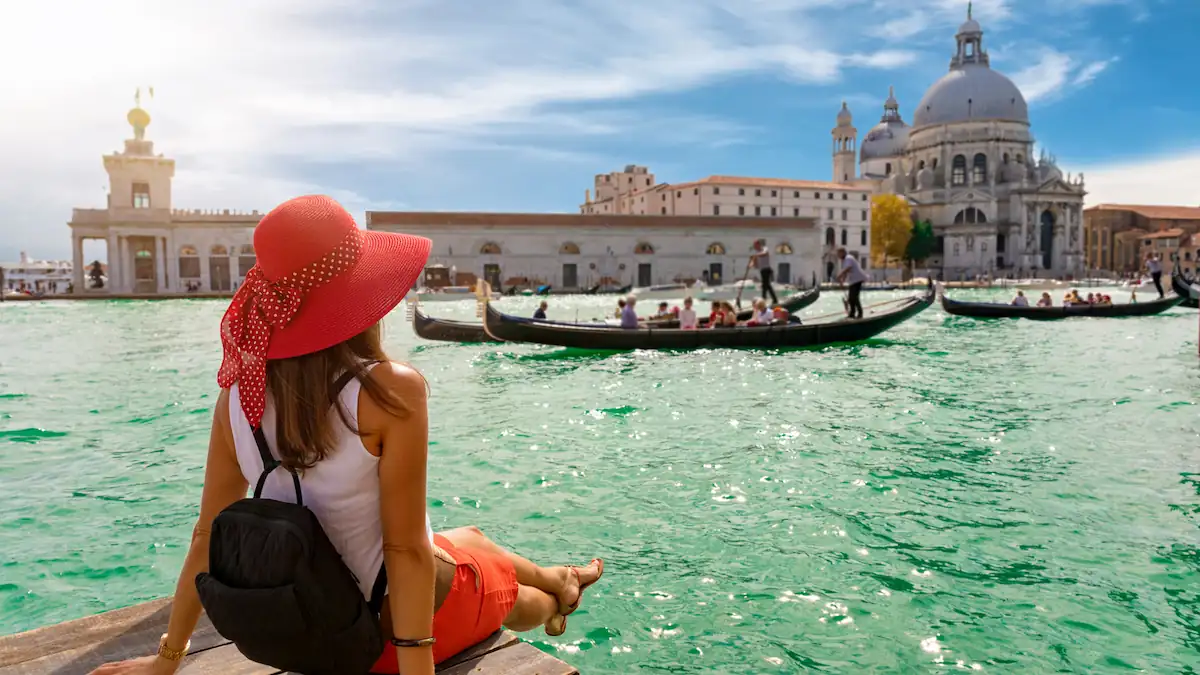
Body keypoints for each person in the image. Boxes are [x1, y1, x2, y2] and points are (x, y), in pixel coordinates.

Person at [87, 196, 603, 675]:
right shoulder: (387, 391)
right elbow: (404, 552)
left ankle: (560, 575)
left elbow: (205, 536)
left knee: (471, 540)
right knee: (508, 593)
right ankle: (556, 598)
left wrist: (166, 660)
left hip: (309, 625)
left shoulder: (235, 399)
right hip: (377, 641)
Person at [835, 247, 867, 319]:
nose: (838, 256)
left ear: (842, 252)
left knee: (854, 297)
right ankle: (852, 313)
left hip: (858, 279)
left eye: (838, 254)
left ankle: (860, 314)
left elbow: (848, 268)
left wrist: (839, 275)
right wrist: (842, 280)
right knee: (850, 298)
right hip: (853, 281)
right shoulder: (844, 261)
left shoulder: (848, 258)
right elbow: (846, 272)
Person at [750, 239, 779, 305]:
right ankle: (772, 299)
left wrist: (756, 256)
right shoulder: (756, 252)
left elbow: (764, 253)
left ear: (759, 244)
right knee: (766, 285)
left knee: (765, 285)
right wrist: (752, 264)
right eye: (754, 246)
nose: (755, 247)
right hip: (762, 270)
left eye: (755, 245)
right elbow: (755, 263)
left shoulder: (764, 249)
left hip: (767, 269)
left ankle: (764, 300)